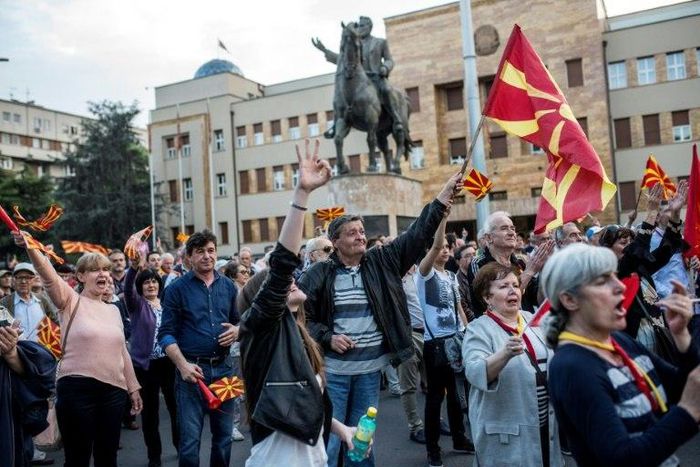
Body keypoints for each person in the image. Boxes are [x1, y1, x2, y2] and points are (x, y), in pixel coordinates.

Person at [300, 167, 463, 467]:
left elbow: (417, 234)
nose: (360, 236)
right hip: (334, 371)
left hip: (369, 371)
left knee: (363, 439)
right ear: (334, 241)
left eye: (362, 231)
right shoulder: (318, 274)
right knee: (334, 439)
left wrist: (442, 197)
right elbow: (301, 319)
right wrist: (327, 337)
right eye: (352, 233)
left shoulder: (382, 261)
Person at [239, 140, 358, 466]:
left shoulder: (299, 334)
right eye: (278, 285)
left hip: (311, 455)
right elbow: (281, 268)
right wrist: (302, 195)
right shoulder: (260, 330)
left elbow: (305, 400)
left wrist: (340, 429)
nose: (293, 279)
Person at [541, 243, 700, 466]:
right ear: (570, 300)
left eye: (615, 277)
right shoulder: (572, 366)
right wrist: (688, 411)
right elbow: (621, 458)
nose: (621, 287)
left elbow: (683, 389)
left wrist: (682, 335)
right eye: (602, 281)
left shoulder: (618, 341)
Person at [12, 231, 143, 467]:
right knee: (78, 458)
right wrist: (31, 247)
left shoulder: (114, 309)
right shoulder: (70, 301)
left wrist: (133, 388)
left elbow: (122, 351)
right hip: (76, 390)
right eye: (94, 270)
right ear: (80, 276)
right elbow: (48, 276)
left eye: (105, 269)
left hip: (114, 392)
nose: (102, 273)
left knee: (108, 456)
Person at [463, 262, 563, 466]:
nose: (513, 290)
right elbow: (474, 373)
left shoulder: (531, 319)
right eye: (503, 286)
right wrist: (504, 354)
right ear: (487, 297)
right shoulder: (478, 329)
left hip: (546, 427)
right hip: (508, 435)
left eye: (515, 285)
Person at [157, 229, 239, 467]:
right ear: (189, 258)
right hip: (191, 374)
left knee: (224, 439)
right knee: (190, 443)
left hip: (225, 371)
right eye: (200, 251)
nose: (207, 256)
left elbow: (238, 321)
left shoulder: (229, 286)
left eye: (211, 250)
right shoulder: (176, 289)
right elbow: (165, 334)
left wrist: (237, 330)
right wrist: (183, 366)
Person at [415, 215, 473, 467]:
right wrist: (443, 218)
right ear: (429, 250)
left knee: (455, 397)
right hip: (435, 343)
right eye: (441, 248)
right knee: (436, 397)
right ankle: (433, 449)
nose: (446, 251)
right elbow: (437, 244)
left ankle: (459, 438)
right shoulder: (424, 274)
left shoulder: (450, 277)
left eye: (449, 248)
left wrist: (468, 331)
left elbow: (458, 307)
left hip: (454, 340)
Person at [124, 251, 178, 467]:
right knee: (150, 415)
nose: (150, 285)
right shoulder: (136, 305)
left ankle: (181, 446)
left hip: (169, 363)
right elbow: (128, 287)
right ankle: (153, 456)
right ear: (141, 287)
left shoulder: (167, 305)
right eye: (146, 283)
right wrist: (134, 267)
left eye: (154, 281)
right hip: (145, 367)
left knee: (176, 410)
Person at [313, 16, 404, 139]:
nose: (360, 29)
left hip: (376, 77)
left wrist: (385, 68)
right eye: (358, 26)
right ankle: (336, 125)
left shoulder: (380, 42)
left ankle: (396, 117)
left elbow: (389, 60)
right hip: (359, 80)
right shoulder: (355, 43)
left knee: (387, 90)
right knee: (340, 97)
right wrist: (324, 50)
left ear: (369, 27)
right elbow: (342, 59)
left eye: (362, 26)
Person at [468, 211, 553, 317]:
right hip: (494, 329)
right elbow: (491, 306)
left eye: (513, 228)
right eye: (504, 228)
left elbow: (539, 300)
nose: (512, 233)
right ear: (489, 238)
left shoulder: (520, 262)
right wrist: (529, 272)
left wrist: (543, 269)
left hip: (524, 326)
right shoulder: (478, 263)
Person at [0, 320, 57, 467]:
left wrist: (12, 353)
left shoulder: (3, 315)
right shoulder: (8, 302)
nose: (1, 294)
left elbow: (26, 369)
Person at [397, 265, 427, 444]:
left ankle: (435, 420)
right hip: (408, 335)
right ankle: (415, 426)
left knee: (433, 383)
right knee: (408, 386)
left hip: (430, 334)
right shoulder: (395, 276)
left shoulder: (422, 272)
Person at [0, 263, 58, 342]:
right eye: (20, 277)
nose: (23, 281)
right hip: (17, 351)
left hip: (42, 349)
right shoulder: (4, 303)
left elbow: (55, 321)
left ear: (33, 280)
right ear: (14, 280)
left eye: (27, 277)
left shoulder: (42, 300)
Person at [455, 244, 476, 324]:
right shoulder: (456, 281)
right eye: (467, 256)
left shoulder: (481, 274)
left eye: (474, 254)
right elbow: (465, 310)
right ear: (458, 261)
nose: (473, 258)